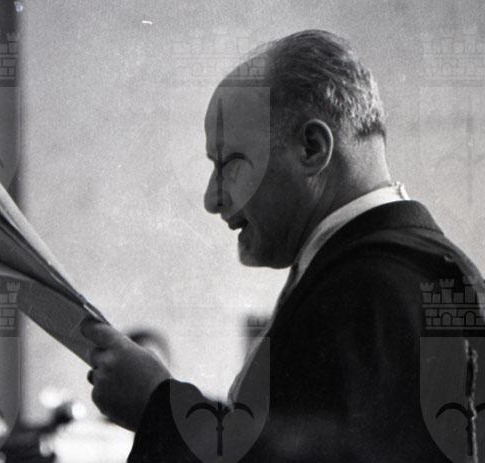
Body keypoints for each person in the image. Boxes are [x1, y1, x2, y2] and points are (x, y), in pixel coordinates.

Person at [80, 29, 484, 462]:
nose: (212, 199)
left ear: (312, 148)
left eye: (230, 163)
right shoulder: (413, 271)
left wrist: (156, 405)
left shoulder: (369, 291)